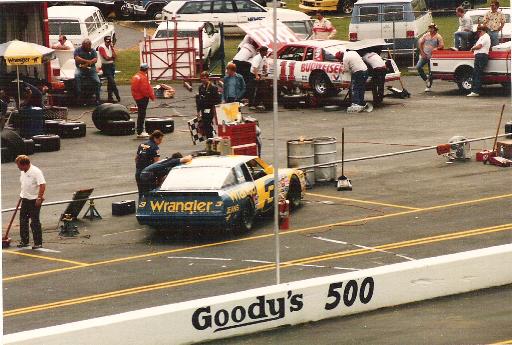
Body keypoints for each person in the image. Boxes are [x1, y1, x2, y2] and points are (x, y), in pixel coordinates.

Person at [15, 155, 46, 249]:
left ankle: (38, 243)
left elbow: (42, 185)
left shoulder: (36, 171)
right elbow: (24, 184)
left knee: (35, 221)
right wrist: (22, 196)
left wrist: (39, 198)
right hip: (25, 199)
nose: (18, 167)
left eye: (19, 165)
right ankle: (24, 241)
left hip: (34, 201)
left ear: (25, 165)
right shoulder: (23, 172)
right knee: (23, 220)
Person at [416, 23, 444, 92]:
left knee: (431, 71)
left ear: (435, 29)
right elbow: (420, 43)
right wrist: (422, 52)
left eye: (432, 28)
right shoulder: (426, 35)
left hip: (432, 57)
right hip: (425, 55)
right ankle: (426, 79)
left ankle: (428, 86)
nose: (430, 29)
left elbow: (442, 45)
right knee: (418, 67)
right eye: (430, 28)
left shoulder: (438, 36)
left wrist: (437, 48)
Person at [135, 130, 164, 197]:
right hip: (148, 174)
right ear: (154, 138)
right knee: (149, 194)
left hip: (138, 172)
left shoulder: (142, 144)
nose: (161, 142)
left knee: (141, 193)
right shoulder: (155, 147)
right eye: (160, 139)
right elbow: (156, 163)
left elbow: (136, 158)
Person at [131, 63, 155, 138]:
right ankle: (140, 131)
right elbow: (145, 89)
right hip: (142, 98)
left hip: (137, 97)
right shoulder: (143, 77)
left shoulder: (136, 76)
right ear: (146, 69)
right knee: (142, 115)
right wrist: (151, 96)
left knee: (141, 114)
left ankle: (140, 130)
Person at [74, 39, 101, 105]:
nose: (88, 47)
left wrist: (88, 64)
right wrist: (86, 61)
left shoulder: (93, 50)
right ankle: (79, 95)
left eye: (89, 46)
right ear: (83, 45)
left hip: (91, 68)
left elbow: (95, 59)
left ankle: (97, 98)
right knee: (77, 75)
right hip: (80, 68)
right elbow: (77, 58)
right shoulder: (78, 50)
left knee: (97, 81)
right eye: (86, 46)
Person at [195, 71, 221, 139]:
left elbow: (218, 100)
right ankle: (210, 137)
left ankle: (211, 138)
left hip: (210, 108)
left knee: (207, 124)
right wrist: (198, 111)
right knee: (205, 124)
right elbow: (199, 100)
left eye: (205, 78)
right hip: (203, 109)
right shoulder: (200, 87)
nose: (203, 80)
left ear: (208, 78)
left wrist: (214, 109)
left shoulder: (213, 87)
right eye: (202, 78)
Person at [467, 25, 491, 97]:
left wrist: (473, 48)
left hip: (481, 55)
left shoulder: (485, 37)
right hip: (480, 55)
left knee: (477, 73)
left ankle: (476, 91)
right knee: (477, 73)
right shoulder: (482, 37)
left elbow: (479, 46)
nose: (478, 33)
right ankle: (476, 90)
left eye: (479, 31)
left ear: (483, 31)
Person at [98, 35, 120, 103]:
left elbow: (115, 56)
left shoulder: (110, 46)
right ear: (104, 41)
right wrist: (112, 58)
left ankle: (110, 97)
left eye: (110, 41)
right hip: (105, 66)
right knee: (112, 81)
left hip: (111, 65)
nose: (109, 43)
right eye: (107, 42)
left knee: (110, 82)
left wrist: (112, 48)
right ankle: (117, 94)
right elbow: (106, 58)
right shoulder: (101, 47)